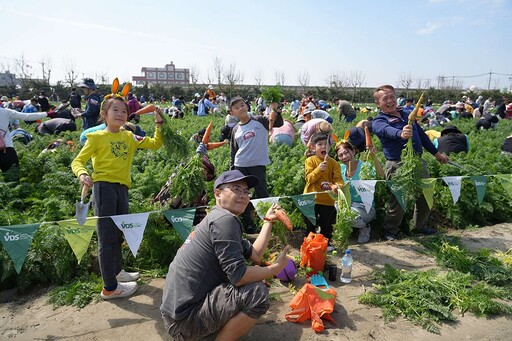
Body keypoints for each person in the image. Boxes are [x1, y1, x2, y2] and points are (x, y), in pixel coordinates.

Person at [160, 169, 289, 340]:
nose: (243, 195)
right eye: (236, 189)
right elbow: (239, 276)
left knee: (253, 280)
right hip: (184, 322)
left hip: (176, 317)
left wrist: (268, 221)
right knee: (256, 293)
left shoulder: (217, 217)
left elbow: (256, 254)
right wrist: (274, 269)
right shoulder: (224, 221)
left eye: (246, 191)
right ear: (217, 194)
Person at [71, 88, 163, 300]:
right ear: (104, 114)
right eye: (116, 110)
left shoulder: (129, 136)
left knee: (119, 233)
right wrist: (83, 174)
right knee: (106, 238)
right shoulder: (95, 137)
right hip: (103, 188)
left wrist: (158, 123)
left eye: (124, 110)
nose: (121, 114)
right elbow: (77, 161)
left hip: (122, 189)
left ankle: (118, 271)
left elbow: (155, 144)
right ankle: (110, 287)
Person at [372, 85, 449, 241]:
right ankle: (390, 231)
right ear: (378, 104)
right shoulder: (379, 121)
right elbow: (387, 131)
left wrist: (436, 154)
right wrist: (401, 133)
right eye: (384, 99)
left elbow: (422, 136)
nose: (389, 101)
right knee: (399, 199)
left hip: (417, 162)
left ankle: (419, 227)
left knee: (425, 195)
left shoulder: (407, 114)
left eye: (391, 97)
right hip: (397, 164)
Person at [230, 96, 270, 233]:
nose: (240, 108)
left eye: (242, 105)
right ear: (232, 113)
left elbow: (277, 122)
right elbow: (233, 151)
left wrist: (275, 109)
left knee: (262, 194)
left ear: (246, 106)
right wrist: (232, 170)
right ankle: (248, 225)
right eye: (236, 108)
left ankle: (267, 223)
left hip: (257, 165)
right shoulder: (235, 130)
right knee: (242, 194)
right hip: (240, 165)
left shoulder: (260, 120)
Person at [335, 140, 383, 244]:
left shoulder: (364, 167)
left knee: (347, 214)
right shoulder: (340, 169)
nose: (344, 157)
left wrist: (374, 156)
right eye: (340, 155)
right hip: (348, 205)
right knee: (334, 207)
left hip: (365, 207)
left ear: (353, 151)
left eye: (346, 152)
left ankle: (365, 227)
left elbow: (381, 175)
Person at [304, 132, 344, 248]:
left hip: (328, 199)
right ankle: (309, 243)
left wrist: (337, 186)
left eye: (325, 144)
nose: (323, 147)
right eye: (319, 144)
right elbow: (309, 179)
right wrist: (319, 169)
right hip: (312, 198)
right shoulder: (310, 161)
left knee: (327, 224)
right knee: (310, 223)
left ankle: (326, 241)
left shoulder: (334, 163)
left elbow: (338, 179)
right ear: (313, 147)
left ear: (330, 147)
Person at [0, 106, 47, 177]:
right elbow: (26, 116)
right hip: (6, 149)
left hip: (6, 149)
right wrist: (47, 114)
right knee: (12, 176)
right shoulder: (4, 111)